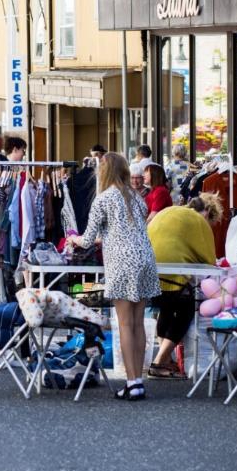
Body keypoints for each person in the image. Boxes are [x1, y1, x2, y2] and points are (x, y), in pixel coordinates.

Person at [68, 152, 160, 401]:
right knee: (138, 322)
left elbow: (87, 240)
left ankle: (132, 383)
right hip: (145, 259)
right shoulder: (136, 197)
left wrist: (73, 238)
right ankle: (138, 380)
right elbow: (128, 229)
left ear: (104, 172)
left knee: (125, 324)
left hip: (121, 262)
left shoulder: (103, 199)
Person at [146, 193, 221, 379]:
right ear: (207, 212)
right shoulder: (197, 220)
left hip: (148, 271)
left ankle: (165, 360)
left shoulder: (168, 211)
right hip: (171, 272)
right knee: (185, 310)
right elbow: (209, 259)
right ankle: (158, 363)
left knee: (166, 308)